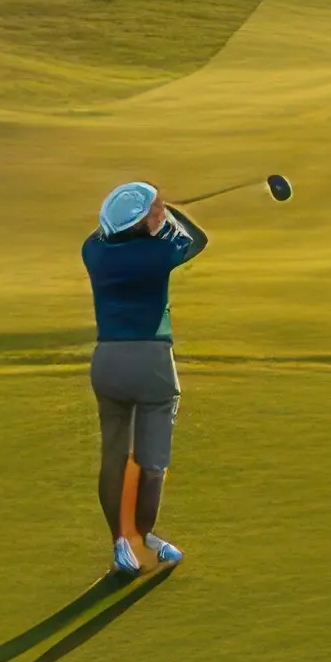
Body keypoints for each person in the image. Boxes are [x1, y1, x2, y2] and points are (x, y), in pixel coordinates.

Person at [82, 178, 205, 575]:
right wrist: (169, 215)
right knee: (152, 460)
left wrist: (147, 213)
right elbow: (196, 239)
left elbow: (106, 232)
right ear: (141, 222)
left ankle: (121, 544)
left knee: (113, 455)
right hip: (151, 362)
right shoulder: (160, 251)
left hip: (108, 362)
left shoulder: (93, 251)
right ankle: (145, 536)